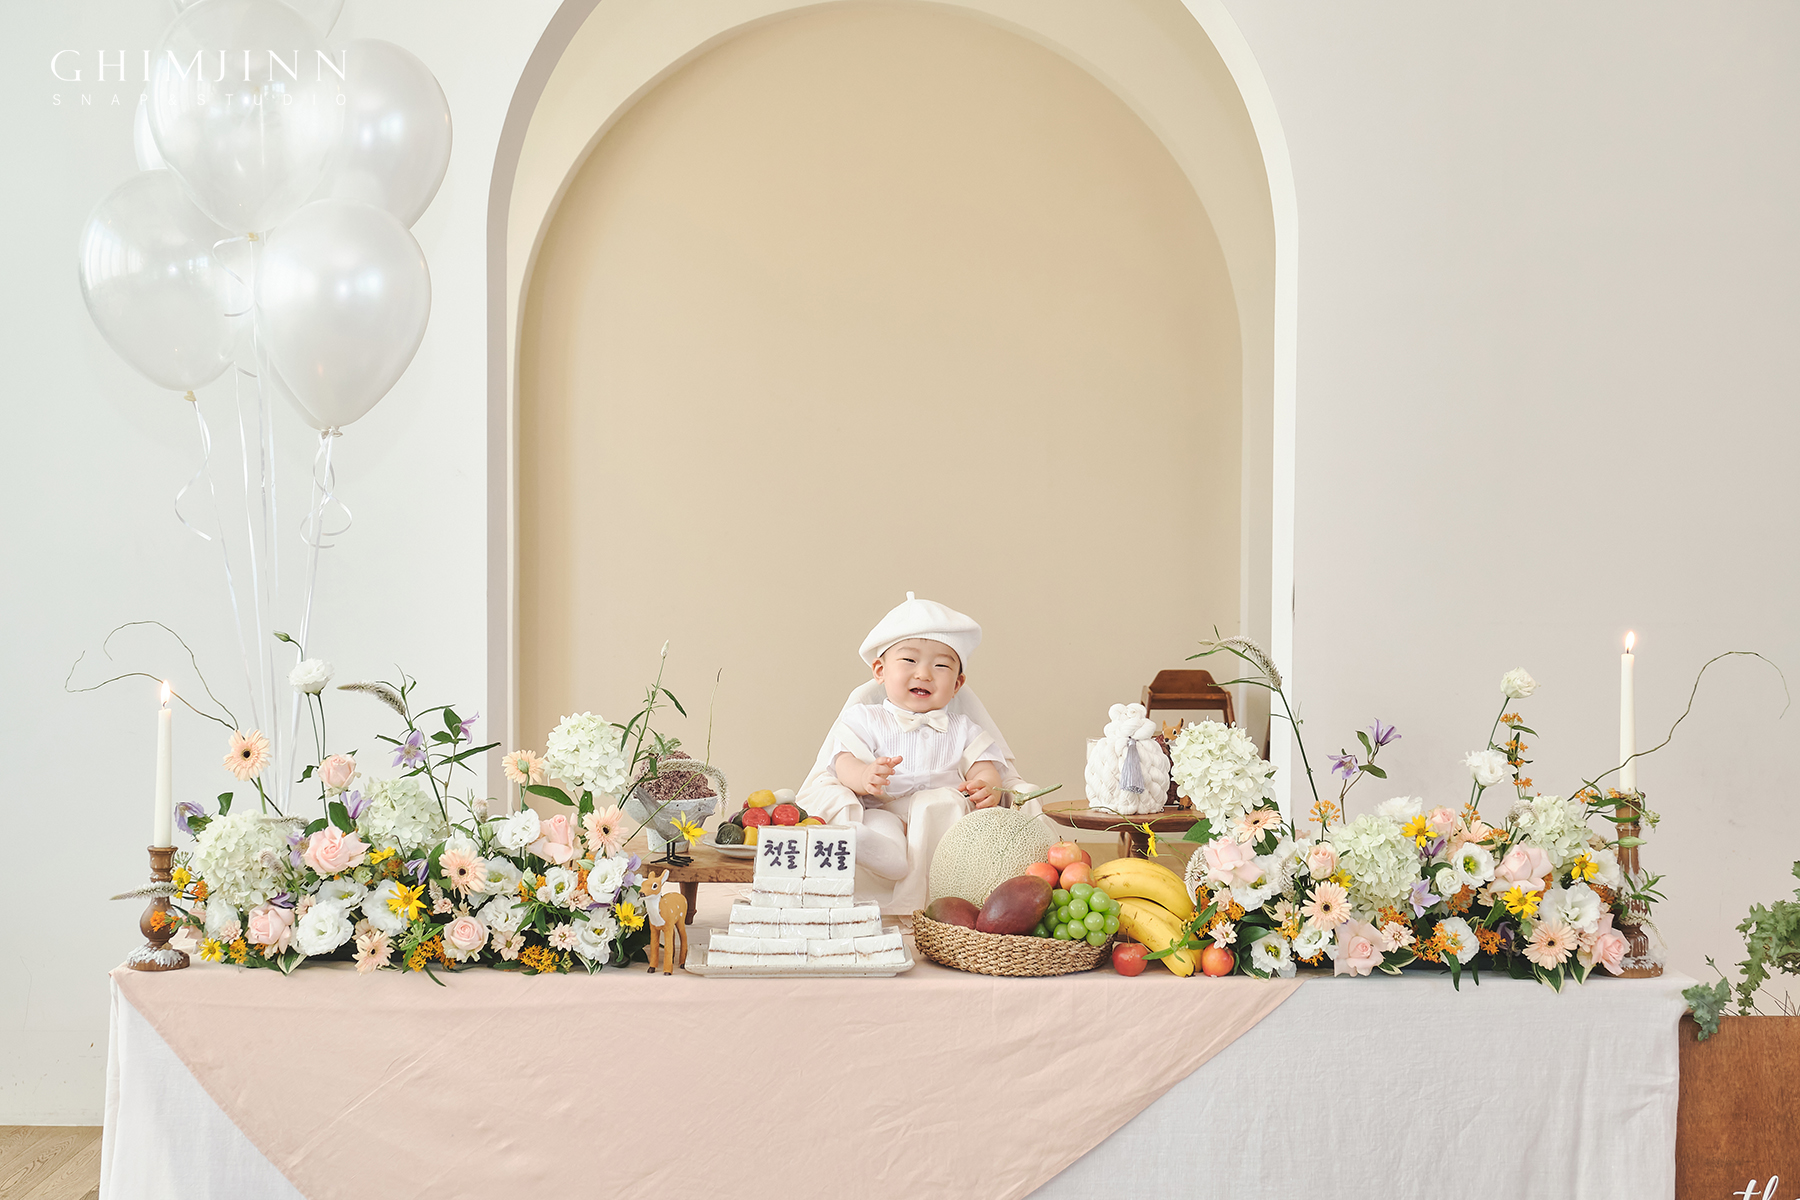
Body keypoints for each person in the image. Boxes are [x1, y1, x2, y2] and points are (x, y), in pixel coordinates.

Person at [802, 594, 1006, 890]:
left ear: (957, 685)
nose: (923, 674)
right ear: (880, 671)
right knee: (878, 825)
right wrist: (864, 775)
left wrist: (987, 786)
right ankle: (887, 856)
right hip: (888, 810)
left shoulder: (964, 728)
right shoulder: (866, 718)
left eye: (941, 666)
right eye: (909, 660)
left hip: (945, 820)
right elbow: (842, 762)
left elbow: (984, 766)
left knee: (967, 833)